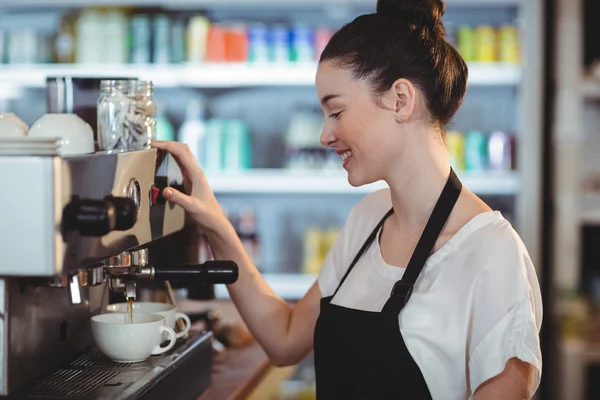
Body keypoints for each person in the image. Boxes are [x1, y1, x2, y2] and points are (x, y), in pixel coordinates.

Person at [152, 0, 543, 398]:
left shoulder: (492, 254)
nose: (324, 136)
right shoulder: (368, 218)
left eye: (335, 112)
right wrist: (214, 221)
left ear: (401, 100)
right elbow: (285, 339)